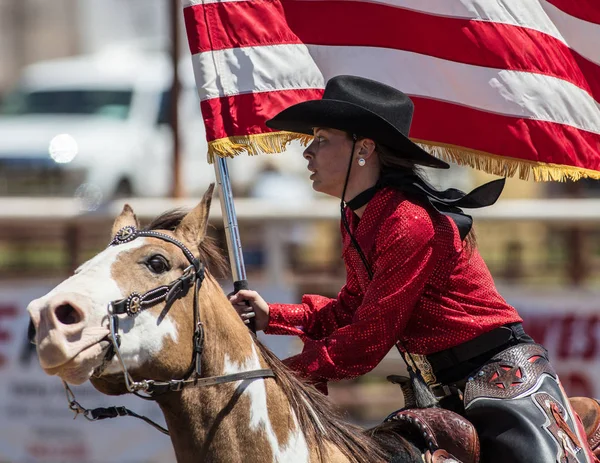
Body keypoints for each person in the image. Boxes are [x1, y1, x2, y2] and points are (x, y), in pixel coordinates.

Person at [229, 75, 596, 463]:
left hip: (501, 378)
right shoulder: (359, 217)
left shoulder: (408, 222)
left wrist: (282, 372)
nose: (308, 151)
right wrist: (273, 317)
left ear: (364, 148)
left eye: (322, 139)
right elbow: (352, 308)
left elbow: (368, 339)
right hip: (440, 389)